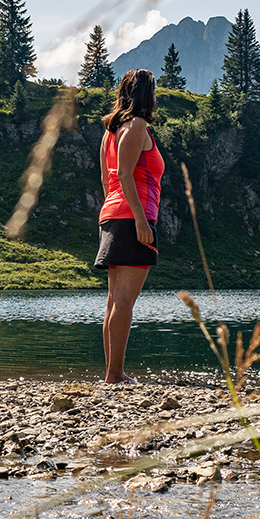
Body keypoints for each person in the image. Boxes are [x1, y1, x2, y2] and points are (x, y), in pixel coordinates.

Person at [94, 69, 164, 384]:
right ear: (147, 95)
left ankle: (113, 372)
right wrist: (139, 219)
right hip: (131, 217)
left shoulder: (111, 131)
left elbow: (106, 180)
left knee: (114, 300)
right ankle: (115, 374)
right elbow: (123, 174)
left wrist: (120, 211)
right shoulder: (136, 126)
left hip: (112, 214)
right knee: (124, 301)